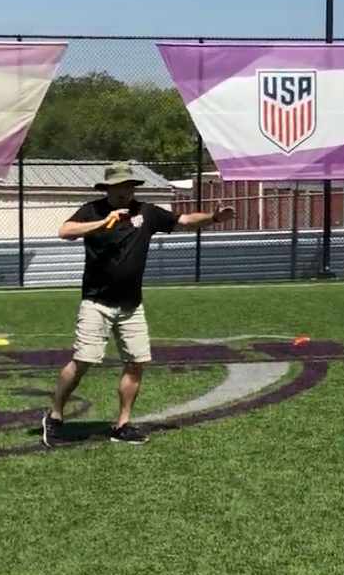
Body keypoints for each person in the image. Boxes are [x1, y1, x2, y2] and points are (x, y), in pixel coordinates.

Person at [42, 162, 234, 446]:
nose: (124, 192)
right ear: (108, 189)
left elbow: (182, 220)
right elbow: (65, 231)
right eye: (118, 187)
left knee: (136, 363)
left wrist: (213, 218)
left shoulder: (146, 212)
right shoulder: (92, 211)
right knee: (83, 361)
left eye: (128, 186)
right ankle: (55, 416)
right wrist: (102, 224)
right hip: (96, 302)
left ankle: (123, 425)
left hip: (131, 305)